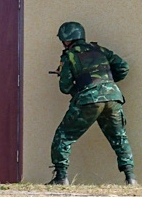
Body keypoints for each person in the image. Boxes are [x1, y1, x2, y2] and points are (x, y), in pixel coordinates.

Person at [49, 21, 136, 185]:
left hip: (88, 100)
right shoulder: (99, 49)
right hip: (113, 98)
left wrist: (73, 80)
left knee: (63, 136)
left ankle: (61, 177)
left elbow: (65, 87)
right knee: (119, 137)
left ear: (66, 40)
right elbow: (123, 67)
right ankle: (130, 177)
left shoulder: (70, 56)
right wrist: (105, 83)